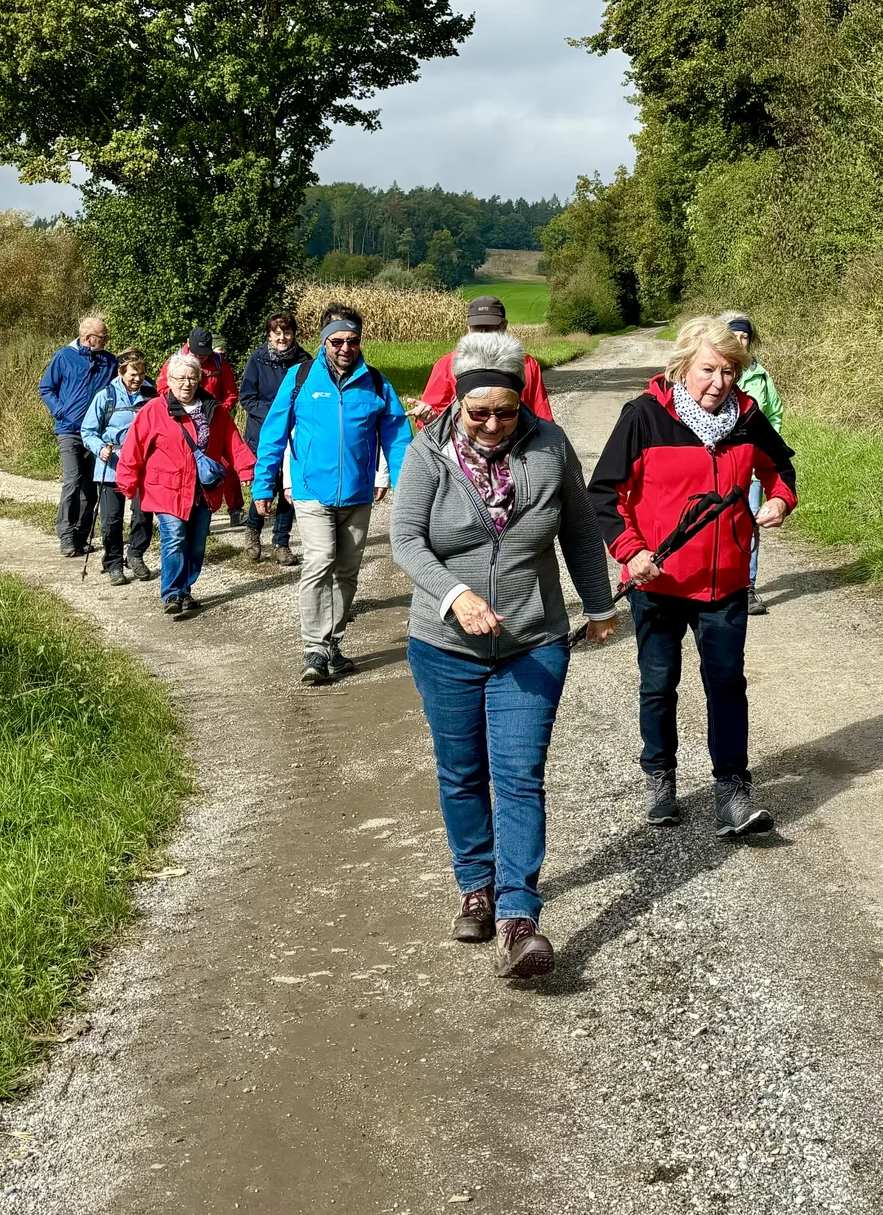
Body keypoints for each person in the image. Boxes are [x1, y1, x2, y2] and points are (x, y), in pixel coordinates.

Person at [392, 331, 620, 980]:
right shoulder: (427, 453)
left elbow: (578, 528)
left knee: (519, 774)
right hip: (444, 647)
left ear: (523, 400)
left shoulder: (549, 448)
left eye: (506, 410)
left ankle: (519, 917)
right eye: (478, 411)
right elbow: (406, 539)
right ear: (458, 403)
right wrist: (455, 594)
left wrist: (599, 604)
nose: (493, 424)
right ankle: (476, 886)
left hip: (532, 640)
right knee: (462, 770)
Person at [589, 313, 796, 838]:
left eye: (729, 371)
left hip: (724, 581)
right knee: (659, 684)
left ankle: (732, 791)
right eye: (708, 370)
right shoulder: (643, 416)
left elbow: (780, 469)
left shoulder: (748, 417)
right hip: (657, 581)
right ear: (682, 366)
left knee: (726, 683)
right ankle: (660, 778)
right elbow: (603, 495)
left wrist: (778, 500)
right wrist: (631, 551)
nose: (719, 383)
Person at [253, 305, 414, 686]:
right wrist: (263, 484)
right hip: (312, 491)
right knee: (319, 561)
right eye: (337, 340)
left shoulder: (375, 383)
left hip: (358, 493)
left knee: (346, 570)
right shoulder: (300, 378)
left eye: (352, 340)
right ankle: (314, 648)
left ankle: (332, 645)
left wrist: (404, 483)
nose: (345, 347)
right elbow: (274, 434)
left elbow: (396, 436)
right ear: (324, 340)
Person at [114, 349, 258, 618]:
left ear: (199, 379)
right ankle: (172, 593)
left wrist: (247, 470)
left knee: (196, 543)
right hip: (167, 488)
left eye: (192, 378)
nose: (186, 383)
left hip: (203, 488)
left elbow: (232, 443)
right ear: (168, 381)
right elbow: (134, 446)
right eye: (180, 378)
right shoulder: (154, 410)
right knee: (174, 538)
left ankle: (186, 589)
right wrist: (127, 479)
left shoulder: (213, 409)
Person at [40, 313, 117, 558]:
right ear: (87, 338)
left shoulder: (109, 361)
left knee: (90, 486)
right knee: (72, 482)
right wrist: (61, 411)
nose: (106, 340)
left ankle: (81, 536)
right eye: (103, 337)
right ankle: (66, 535)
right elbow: (46, 388)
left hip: (96, 434)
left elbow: (121, 385)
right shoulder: (64, 356)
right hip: (69, 431)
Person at [413, 295, 554, 425]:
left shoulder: (527, 364)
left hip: (517, 446)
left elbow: (541, 416)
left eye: (490, 328)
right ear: (468, 328)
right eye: (477, 328)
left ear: (504, 326)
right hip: (461, 448)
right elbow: (432, 416)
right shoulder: (446, 364)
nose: (483, 334)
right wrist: (429, 417)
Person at [81, 350, 158, 586]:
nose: (138, 378)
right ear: (121, 372)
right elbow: (88, 431)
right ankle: (113, 563)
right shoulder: (106, 396)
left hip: (142, 465)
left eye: (142, 373)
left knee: (143, 514)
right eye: (133, 374)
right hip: (112, 465)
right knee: (111, 519)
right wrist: (100, 448)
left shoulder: (151, 395)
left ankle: (135, 554)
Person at [723, 312, 782, 614]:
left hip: (752, 465)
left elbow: (774, 415)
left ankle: (747, 587)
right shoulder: (714, 371)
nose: (740, 341)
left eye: (745, 336)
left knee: (751, 523)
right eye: (735, 335)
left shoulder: (760, 375)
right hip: (719, 463)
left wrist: (766, 452)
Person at [239, 307, 307, 565]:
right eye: (277, 333)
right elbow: (247, 397)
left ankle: (281, 542)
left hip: (294, 432)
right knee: (265, 483)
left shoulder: (304, 361)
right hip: (263, 431)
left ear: (293, 334)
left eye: (287, 333)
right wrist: (274, 415)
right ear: (269, 335)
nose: (282, 338)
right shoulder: (257, 359)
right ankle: (253, 535)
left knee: (288, 486)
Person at [156, 328, 245, 525]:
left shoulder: (219, 363)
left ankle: (235, 509)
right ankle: (192, 514)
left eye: (204, 355)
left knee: (227, 466)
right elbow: (163, 390)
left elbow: (231, 392)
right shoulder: (175, 362)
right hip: (184, 423)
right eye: (197, 355)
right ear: (188, 344)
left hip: (213, 420)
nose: (201, 359)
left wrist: (220, 410)